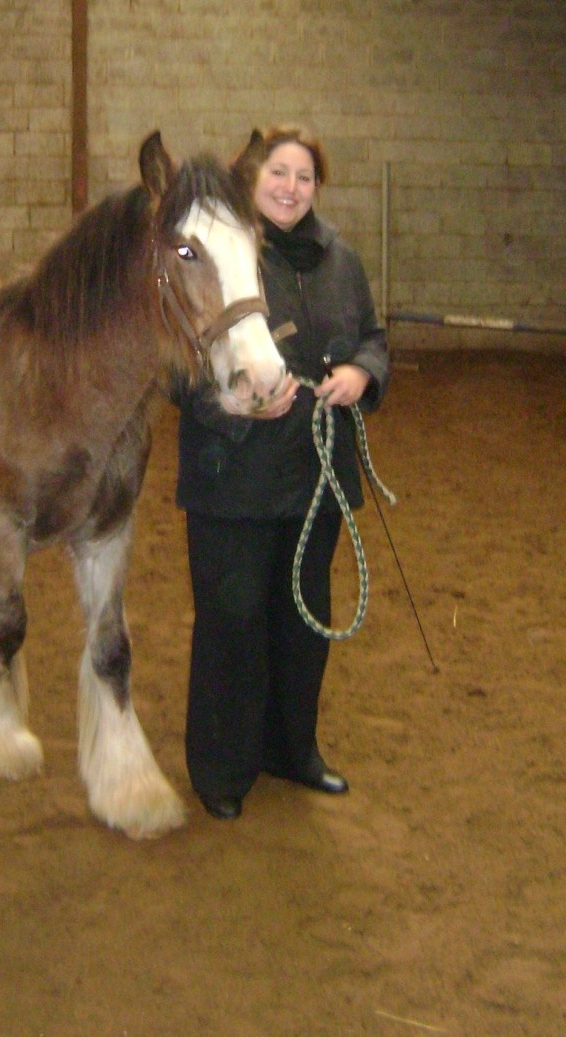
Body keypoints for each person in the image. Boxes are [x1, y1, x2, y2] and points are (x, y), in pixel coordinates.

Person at [171, 126, 389, 819]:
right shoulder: (215, 251)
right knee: (231, 623)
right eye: (278, 174)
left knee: (303, 626)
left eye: (303, 176)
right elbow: (176, 363)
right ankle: (221, 771)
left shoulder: (341, 261)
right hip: (231, 478)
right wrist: (232, 403)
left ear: (316, 187)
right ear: (251, 180)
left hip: (315, 478)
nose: (290, 187)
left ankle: (292, 753)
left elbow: (374, 339)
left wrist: (361, 372)